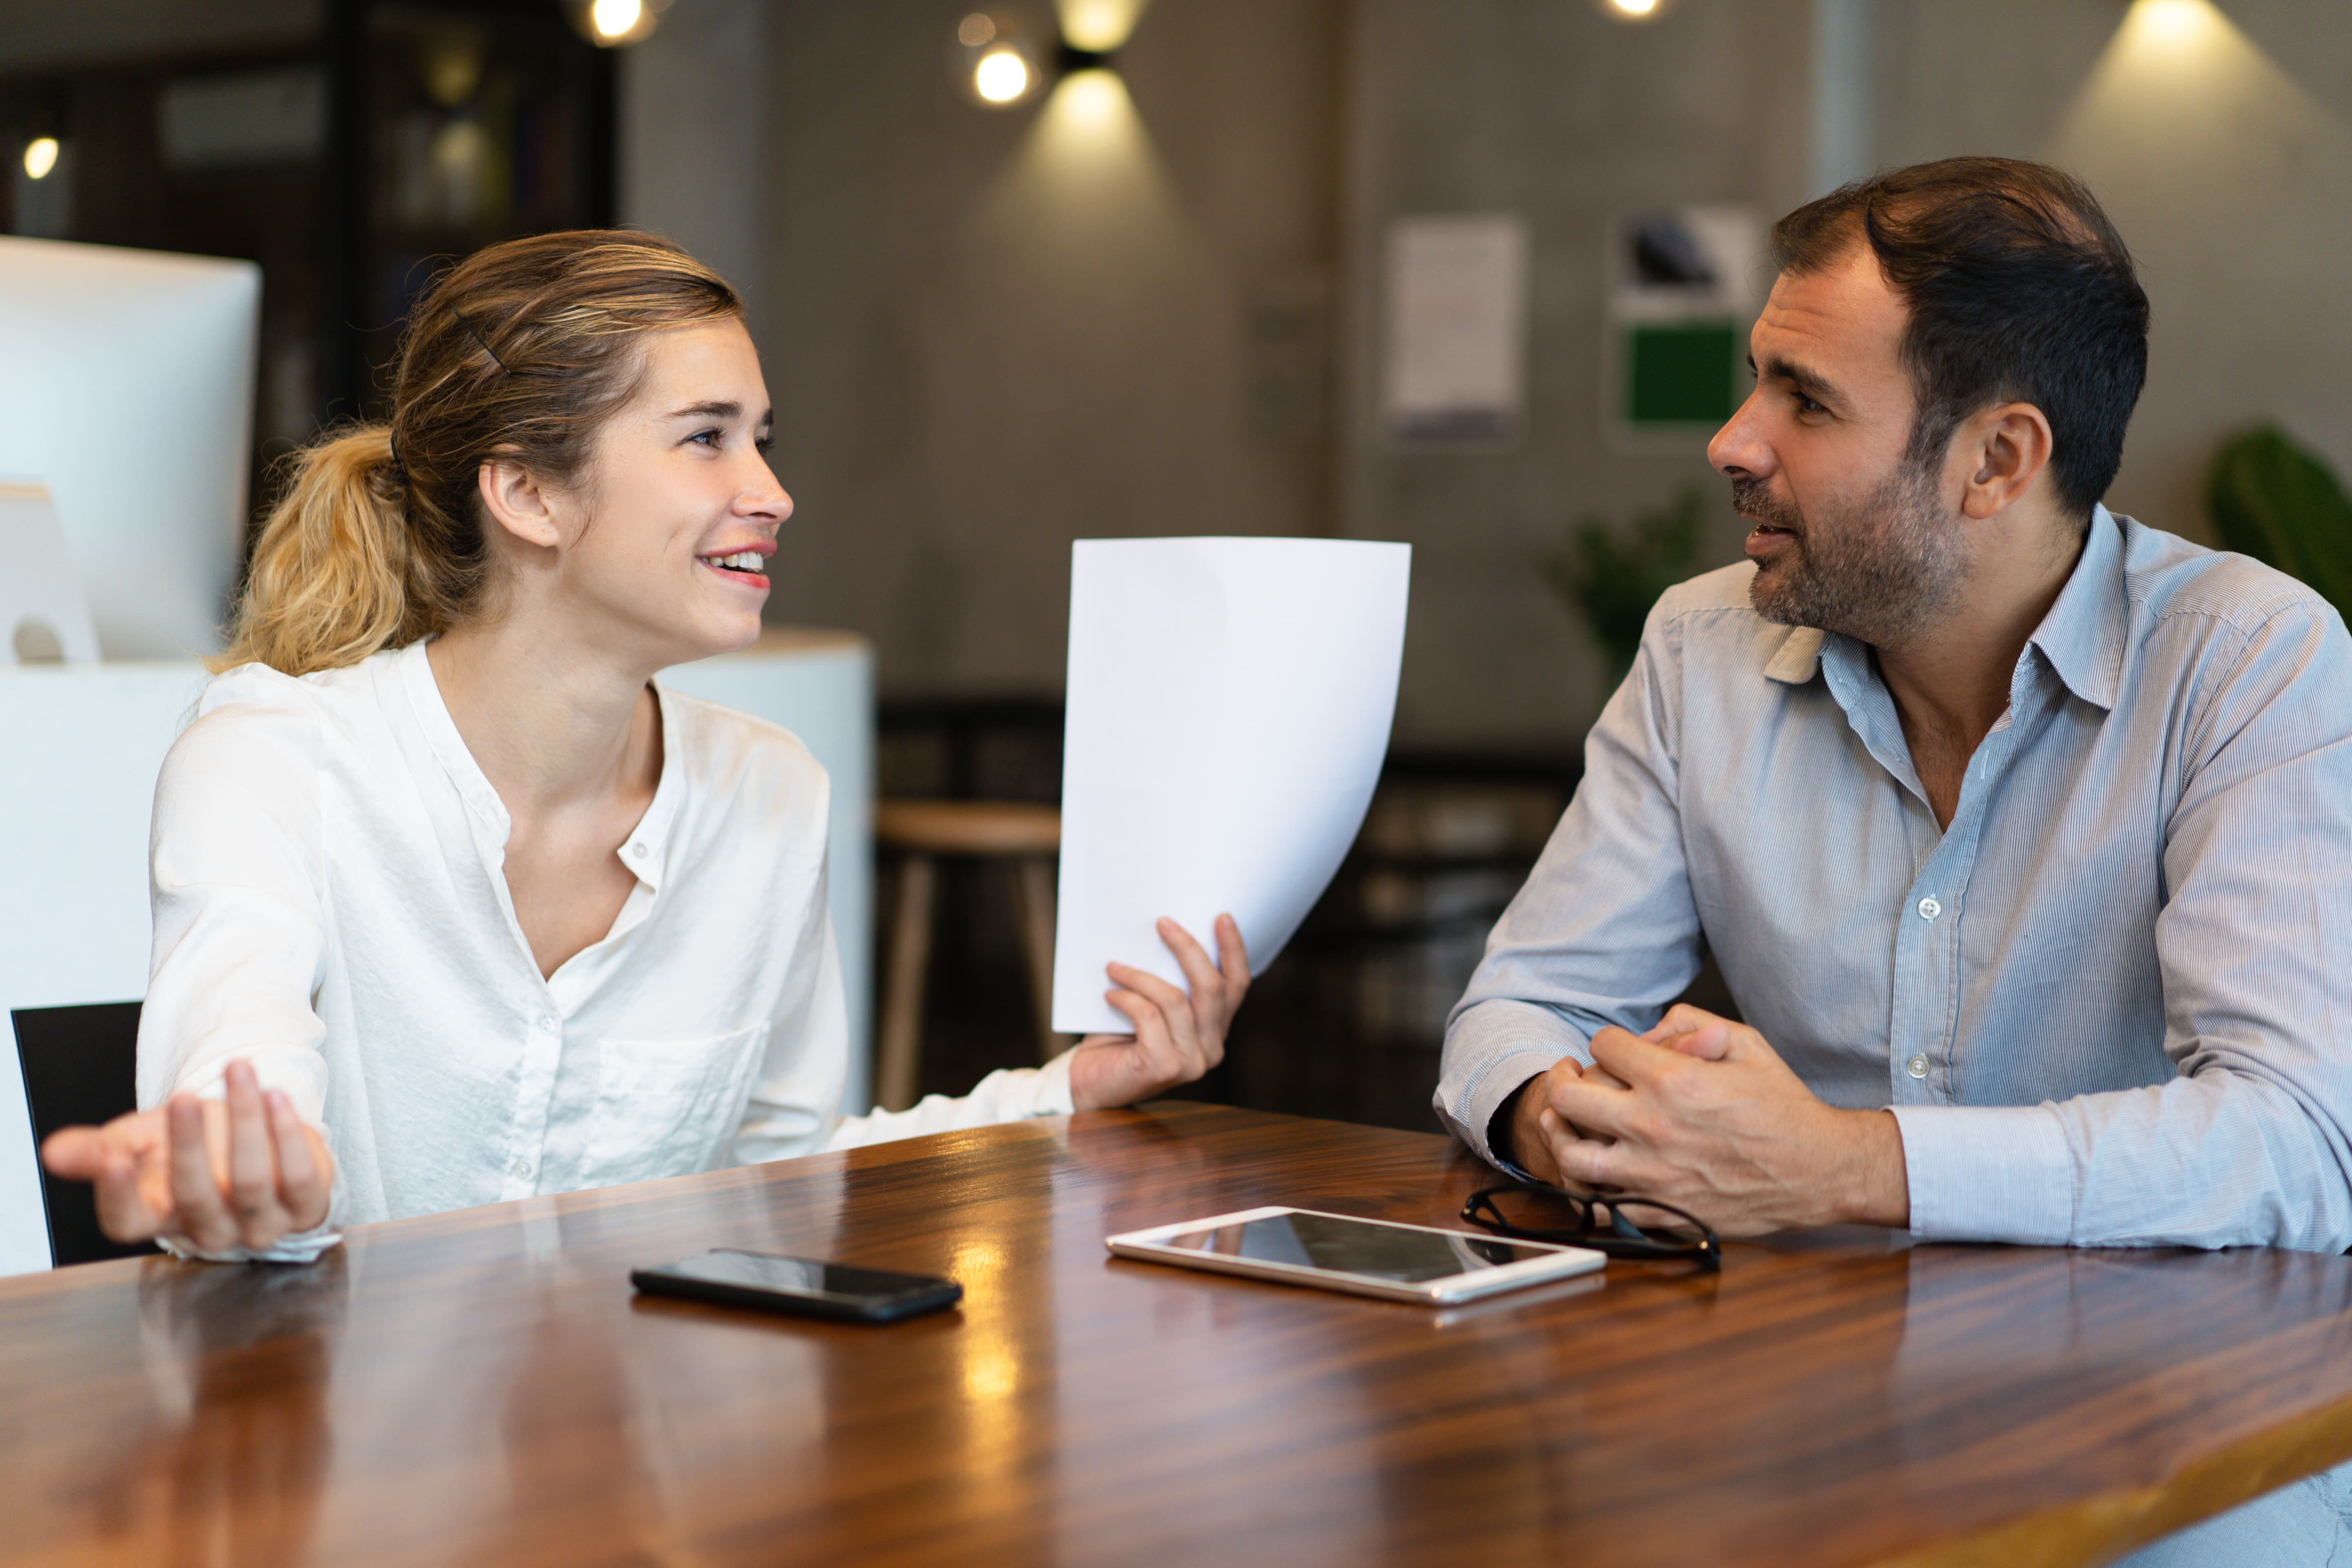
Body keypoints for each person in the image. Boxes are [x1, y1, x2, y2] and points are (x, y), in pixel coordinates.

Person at [1436, 158, 2352, 1562]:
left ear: (1997, 461)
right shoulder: (1697, 650)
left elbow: (2294, 1144)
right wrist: (1568, 1120)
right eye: (1753, 383)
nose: (1731, 442)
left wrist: (1841, 1168)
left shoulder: (2248, 661)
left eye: (1804, 401)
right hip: (1792, 1404)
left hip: (2176, 1438)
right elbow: (1518, 1008)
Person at [39, 230, 1248, 1264]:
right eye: (706, 438)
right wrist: (246, 1175)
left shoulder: (771, 792)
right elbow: (235, 1082)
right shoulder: (272, 760)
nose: (772, 492)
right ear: (528, 494)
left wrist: (1064, 1093)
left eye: (761, 437)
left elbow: (784, 1177)